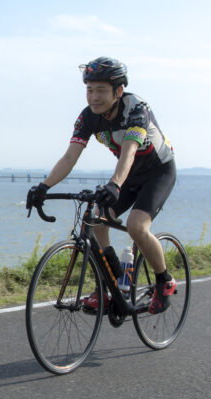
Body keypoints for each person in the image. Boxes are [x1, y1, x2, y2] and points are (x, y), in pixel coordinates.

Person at [27, 56, 177, 314]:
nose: (94, 97)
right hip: (129, 175)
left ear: (118, 91)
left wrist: (114, 185)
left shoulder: (136, 109)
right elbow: (70, 157)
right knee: (96, 221)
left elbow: (129, 151)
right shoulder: (88, 117)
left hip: (158, 172)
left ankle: (165, 281)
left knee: (136, 227)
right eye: (89, 90)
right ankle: (110, 285)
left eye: (101, 90)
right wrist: (43, 187)